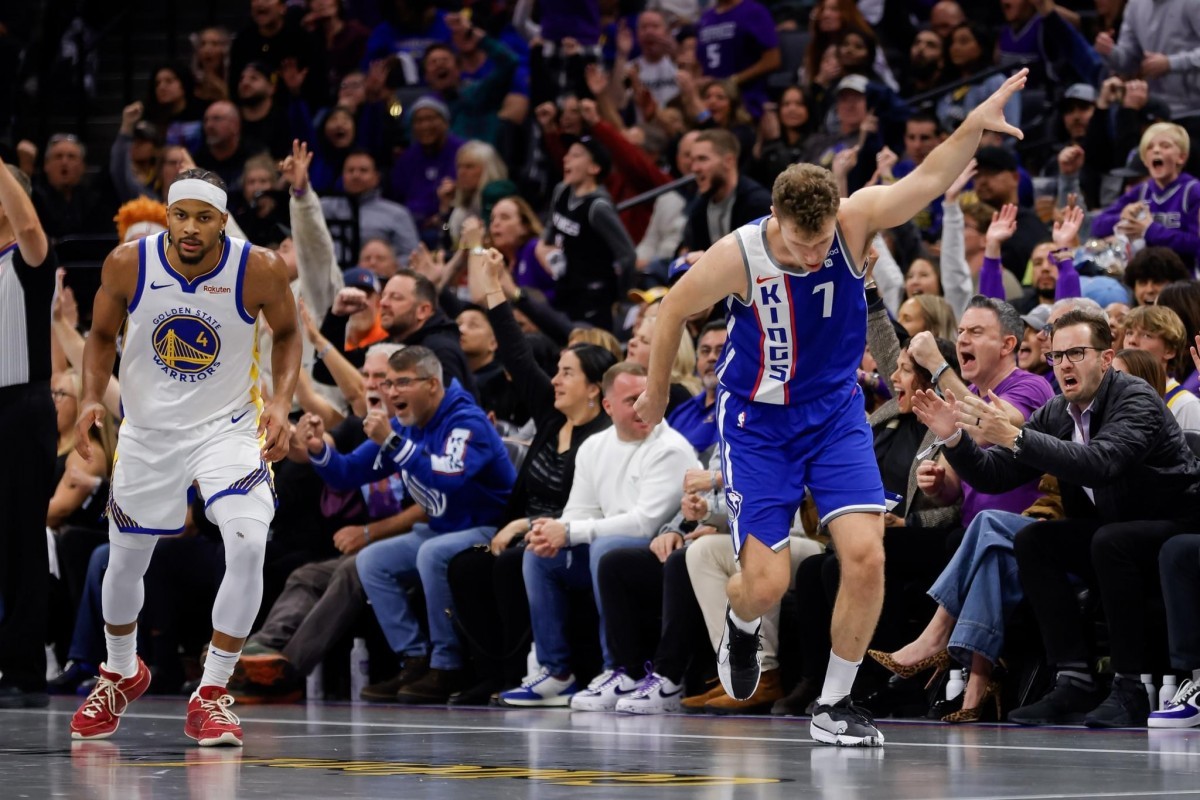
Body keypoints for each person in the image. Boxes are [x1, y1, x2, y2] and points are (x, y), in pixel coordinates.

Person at [635, 69, 1030, 747]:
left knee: (865, 555)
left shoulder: (852, 220)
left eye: (822, 244)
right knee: (765, 584)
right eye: (800, 243)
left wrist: (972, 127)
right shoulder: (741, 254)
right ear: (775, 222)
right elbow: (672, 308)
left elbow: (929, 179)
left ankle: (835, 704)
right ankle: (739, 622)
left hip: (836, 412)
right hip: (758, 424)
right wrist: (651, 389)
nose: (814, 254)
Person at [69, 168, 302, 746]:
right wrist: (89, 400)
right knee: (122, 563)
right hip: (148, 431)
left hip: (228, 426)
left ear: (224, 220)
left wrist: (280, 403)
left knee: (248, 543)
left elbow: (290, 332)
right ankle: (122, 670)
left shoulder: (259, 268)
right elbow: (99, 337)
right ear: (167, 216)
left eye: (205, 217)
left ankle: (213, 692)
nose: (191, 228)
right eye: (182, 215)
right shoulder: (128, 263)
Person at [912, 309, 1200, 728]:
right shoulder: (1057, 412)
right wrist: (955, 439)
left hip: (1176, 523)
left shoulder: (1135, 397)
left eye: (1076, 353)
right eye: (1057, 356)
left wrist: (1015, 435)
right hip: (1115, 530)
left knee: (1109, 541)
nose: (1064, 364)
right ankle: (1073, 679)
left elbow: (1102, 462)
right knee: (1035, 541)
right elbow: (996, 475)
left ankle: (1130, 687)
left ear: (1105, 358)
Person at [0, 156, 57, 709]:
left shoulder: (28, 258)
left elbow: (31, 226)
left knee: (21, 541)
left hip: (21, 409)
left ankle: (21, 666)